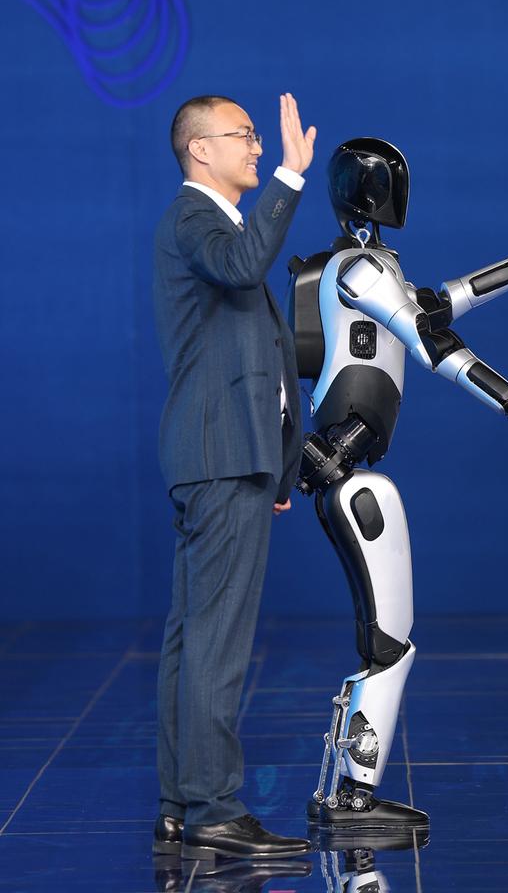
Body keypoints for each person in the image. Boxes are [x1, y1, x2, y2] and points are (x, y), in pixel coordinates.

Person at [152, 92, 316, 860]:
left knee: (194, 639)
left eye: (256, 136)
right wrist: (290, 175)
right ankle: (214, 807)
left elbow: (262, 357)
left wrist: (278, 461)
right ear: (200, 150)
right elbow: (245, 264)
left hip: (230, 457)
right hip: (220, 458)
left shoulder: (215, 226)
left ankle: (181, 804)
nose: (256, 147)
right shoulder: (196, 220)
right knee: (217, 642)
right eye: (243, 135)